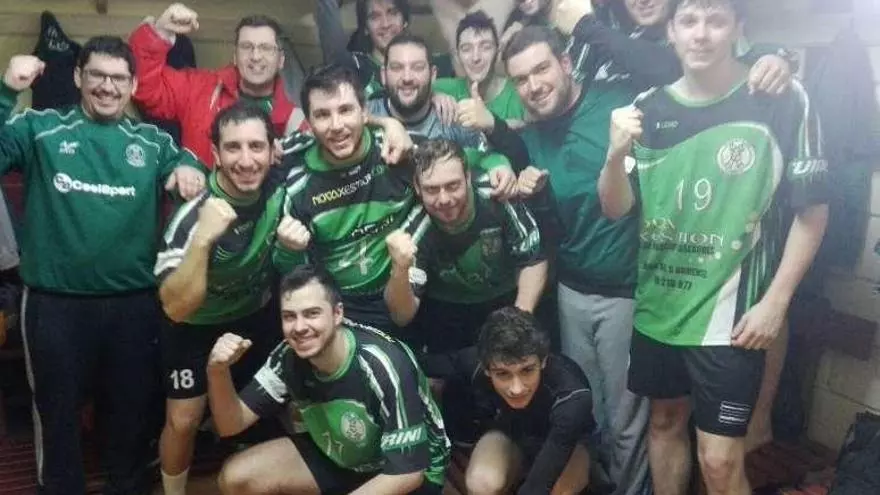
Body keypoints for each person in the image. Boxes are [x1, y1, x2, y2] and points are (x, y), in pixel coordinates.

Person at [597, 0, 828, 493]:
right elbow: (615, 207)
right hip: (658, 309)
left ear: (737, 28)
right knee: (664, 424)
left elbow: (812, 212)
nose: (701, 34)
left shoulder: (782, 97)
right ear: (672, 32)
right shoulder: (645, 108)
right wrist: (614, 156)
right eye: (689, 21)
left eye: (715, 20)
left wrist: (776, 302)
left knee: (720, 461)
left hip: (732, 319)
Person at [0, 36, 205, 495]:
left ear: (132, 85)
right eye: (97, 75)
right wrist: (6, 91)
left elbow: (189, 165)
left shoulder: (152, 142)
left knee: (131, 414)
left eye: (118, 78)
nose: (107, 87)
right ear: (78, 76)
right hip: (55, 307)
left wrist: (189, 172)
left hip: (134, 307)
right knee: (56, 415)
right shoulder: (39, 128)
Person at [278, 63, 514, 331]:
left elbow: (460, 160)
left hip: (406, 291)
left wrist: (498, 163)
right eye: (322, 115)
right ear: (309, 124)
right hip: (338, 306)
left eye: (345, 110)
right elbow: (292, 271)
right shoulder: (298, 183)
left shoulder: (399, 149)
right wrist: (288, 250)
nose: (336, 125)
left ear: (364, 112)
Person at [154, 101, 306, 495]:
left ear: (273, 151)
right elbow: (175, 308)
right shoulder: (191, 216)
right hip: (193, 326)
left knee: (265, 409)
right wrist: (204, 239)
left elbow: (334, 130)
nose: (246, 160)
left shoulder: (279, 191)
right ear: (216, 154)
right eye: (233, 147)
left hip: (254, 319)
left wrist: (388, 125)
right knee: (184, 420)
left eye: (256, 146)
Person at [206, 264, 449, 494]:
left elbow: (408, 473)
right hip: (342, 455)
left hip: (409, 472)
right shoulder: (287, 356)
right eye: (289, 316)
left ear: (337, 313)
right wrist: (217, 372)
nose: (299, 327)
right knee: (236, 477)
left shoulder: (382, 363)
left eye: (312, 314)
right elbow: (230, 424)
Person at [385, 138, 546, 356]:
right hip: (448, 311)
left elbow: (533, 258)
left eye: (453, 186)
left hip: (507, 299)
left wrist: (518, 320)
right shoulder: (415, 231)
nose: (444, 199)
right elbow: (401, 316)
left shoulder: (497, 196)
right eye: (432, 189)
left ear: (468, 177)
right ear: (417, 187)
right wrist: (399, 269)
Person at [435, 307, 593, 495]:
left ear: (543, 361)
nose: (516, 388)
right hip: (510, 435)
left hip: (565, 443)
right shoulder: (471, 364)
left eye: (527, 370)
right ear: (486, 368)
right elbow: (421, 364)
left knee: (559, 490)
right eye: (503, 374)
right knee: (481, 484)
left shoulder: (572, 395)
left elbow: (537, 487)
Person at [130, 3, 308, 165]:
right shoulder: (200, 88)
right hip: (200, 189)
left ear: (281, 60)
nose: (255, 56)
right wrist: (160, 32)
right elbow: (145, 89)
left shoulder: (297, 121)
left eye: (266, 48)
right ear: (235, 57)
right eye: (246, 47)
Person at [368, 33, 527, 179]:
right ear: (383, 75)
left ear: (433, 75)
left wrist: (497, 163)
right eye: (397, 68)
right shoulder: (365, 116)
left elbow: (511, 158)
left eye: (417, 67)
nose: (407, 77)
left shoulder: (452, 120)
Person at [433, 10, 527, 127]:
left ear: (497, 52)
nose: (476, 57)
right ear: (458, 57)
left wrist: (506, 124)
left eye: (485, 47)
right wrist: (432, 97)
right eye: (466, 49)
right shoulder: (442, 89)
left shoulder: (518, 93)